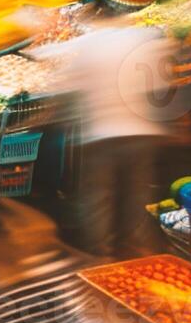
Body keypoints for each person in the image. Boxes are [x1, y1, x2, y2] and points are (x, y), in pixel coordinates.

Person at [52, 16, 179, 257]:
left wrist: (65, 119)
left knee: (98, 200)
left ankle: (100, 253)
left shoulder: (89, 46)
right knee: (136, 194)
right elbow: (164, 91)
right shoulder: (145, 41)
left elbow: (67, 88)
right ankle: (135, 249)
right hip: (141, 133)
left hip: (102, 135)